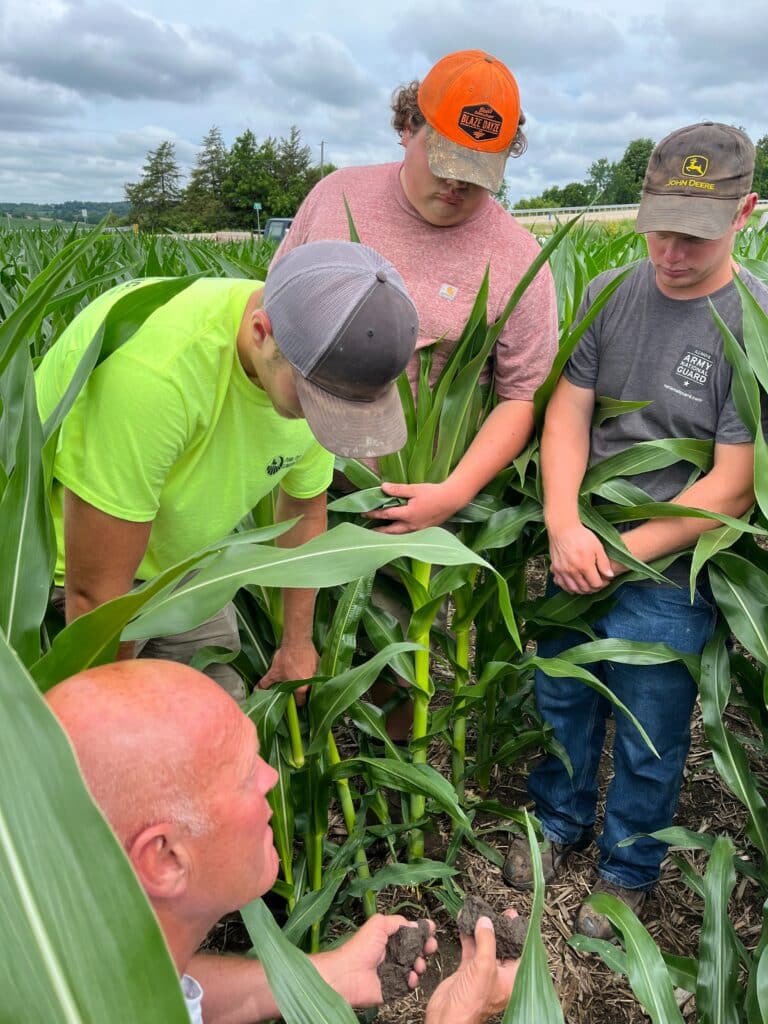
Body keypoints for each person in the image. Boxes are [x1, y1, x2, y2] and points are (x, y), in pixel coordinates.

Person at [503, 122, 766, 940]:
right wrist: (562, 523)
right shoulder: (612, 290)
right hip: (581, 534)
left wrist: (615, 555)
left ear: (746, 213)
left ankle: (626, 870)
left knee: (653, 723)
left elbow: (727, 486)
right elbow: (568, 415)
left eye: (695, 235)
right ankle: (557, 819)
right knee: (563, 692)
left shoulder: (753, 321)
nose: (671, 251)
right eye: (660, 226)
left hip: (672, 560)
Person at [36, 240, 418, 701]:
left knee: (219, 714)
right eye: (315, 402)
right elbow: (94, 599)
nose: (322, 422)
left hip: (185, 561)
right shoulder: (157, 374)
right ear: (260, 332)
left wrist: (297, 642)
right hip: (63, 570)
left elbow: (302, 509)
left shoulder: (318, 357)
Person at [46, 658, 520, 1023]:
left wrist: (328, 975)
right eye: (245, 774)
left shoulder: (60, 968)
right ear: (165, 859)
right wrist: (458, 1015)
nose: (272, 777)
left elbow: (158, 987)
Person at [275, 48, 558, 534]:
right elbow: (272, 314)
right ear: (408, 127)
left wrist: (453, 494)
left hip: (413, 504)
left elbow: (521, 396)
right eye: (444, 158)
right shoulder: (334, 197)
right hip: (296, 481)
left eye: (476, 172)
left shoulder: (519, 259)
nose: (455, 185)